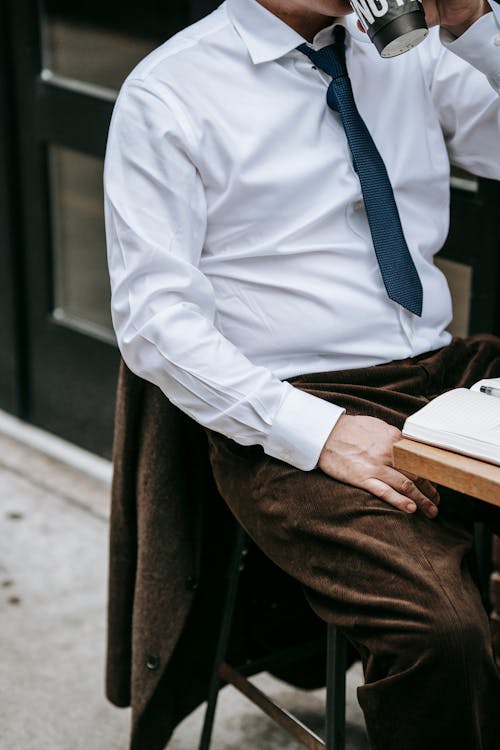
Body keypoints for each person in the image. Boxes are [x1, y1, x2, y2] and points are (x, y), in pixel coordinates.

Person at [104, 1, 500, 747]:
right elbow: (156, 323)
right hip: (298, 403)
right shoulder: (170, 92)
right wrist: (320, 435)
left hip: (443, 369)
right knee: (440, 629)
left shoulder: (405, 47)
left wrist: (474, 26)